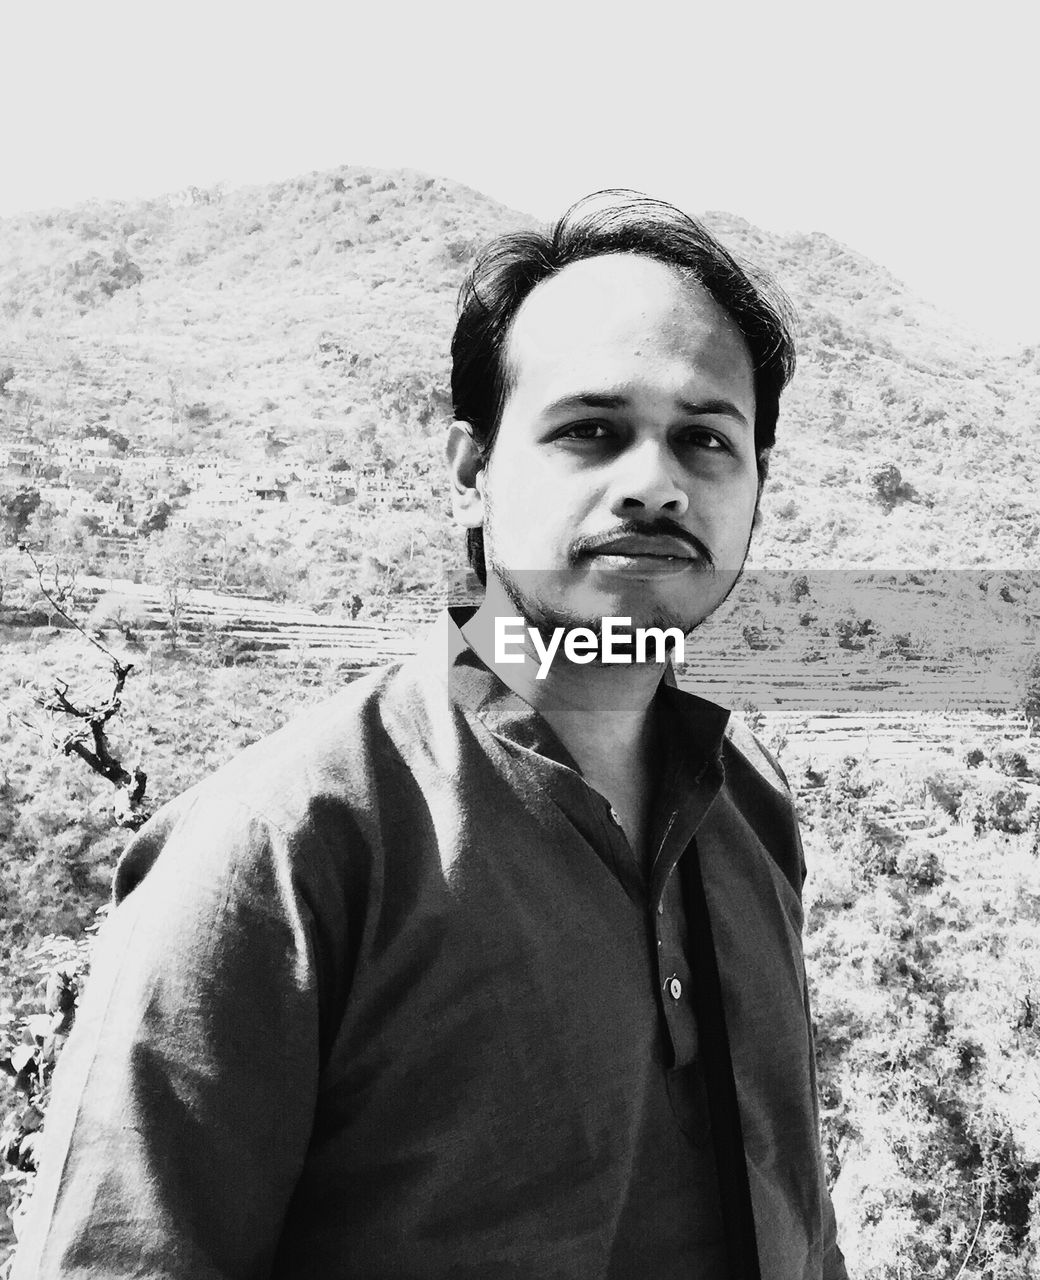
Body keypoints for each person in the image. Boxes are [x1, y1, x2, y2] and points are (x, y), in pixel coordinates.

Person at [15, 192, 848, 1279]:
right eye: (590, 429)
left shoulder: (745, 804)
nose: (654, 482)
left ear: (756, 486)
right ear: (471, 463)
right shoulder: (286, 848)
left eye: (704, 439)